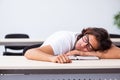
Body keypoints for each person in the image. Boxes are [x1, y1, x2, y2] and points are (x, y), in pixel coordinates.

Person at [24, 27, 119, 63]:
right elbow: (29, 52)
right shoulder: (64, 41)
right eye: (85, 39)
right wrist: (53, 58)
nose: (83, 45)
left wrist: (84, 54)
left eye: (89, 47)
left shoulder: (95, 42)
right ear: (85, 33)